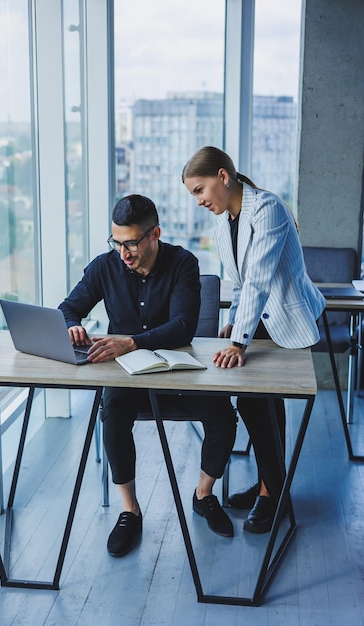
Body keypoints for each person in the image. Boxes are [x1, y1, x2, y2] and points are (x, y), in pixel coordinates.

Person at [58, 193, 238, 557]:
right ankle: (130, 510)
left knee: (222, 415)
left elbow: (184, 327)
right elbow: (68, 308)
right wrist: (72, 326)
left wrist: (130, 342)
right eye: (117, 242)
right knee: (113, 415)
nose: (123, 253)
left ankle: (204, 495)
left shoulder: (183, 263)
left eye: (131, 244)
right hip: (129, 378)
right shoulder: (104, 266)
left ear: (155, 234)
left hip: (180, 373)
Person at [182, 146, 326, 534]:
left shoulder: (268, 209)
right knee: (260, 403)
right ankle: (270, 486)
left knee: (255, 400)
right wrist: (233, 324)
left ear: (223, 177)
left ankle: (272, 493)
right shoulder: (224, 219)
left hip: (286, 317)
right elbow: (242, 283)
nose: (198, 201)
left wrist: (239, 343)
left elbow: (261, 278)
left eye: (199, 190)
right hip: (257, 316)